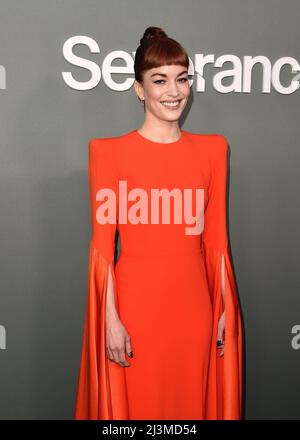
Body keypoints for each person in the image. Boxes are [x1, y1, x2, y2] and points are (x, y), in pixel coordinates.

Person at [74, 26, 243, 420]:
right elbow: (103, 249)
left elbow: (216, 240)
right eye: (159, 79)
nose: (173, 91)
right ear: (139, 89)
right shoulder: (108, 153)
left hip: (194, 309)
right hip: (134, 310)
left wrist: (223, 310)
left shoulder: (213, 150)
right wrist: (109, 319)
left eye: (181, 78)